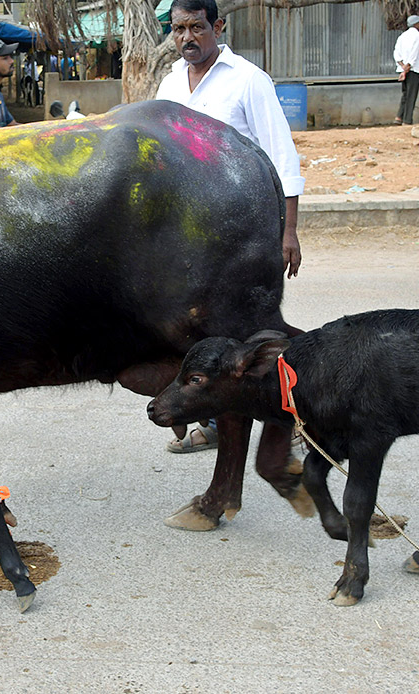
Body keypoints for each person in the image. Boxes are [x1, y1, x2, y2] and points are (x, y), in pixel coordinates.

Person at [155, 0, 305, 452]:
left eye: (196, 27)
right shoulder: (169, 83)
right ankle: (218, 421)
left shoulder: (247, 80)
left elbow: (281, 156)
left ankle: (303, 412)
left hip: (242, 231)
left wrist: (289, 231)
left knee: (256, 330)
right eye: (179, 29)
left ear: (217, 26)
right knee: (203, 330)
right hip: (187, 235)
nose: (187, 38)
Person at [394, 15, 419, 125]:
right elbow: (414, 53)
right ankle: (407, 120)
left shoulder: (402, 36)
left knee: (405, 93)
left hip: (403, 68)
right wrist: (407, 67)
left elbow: (396, 53)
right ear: (416, 24)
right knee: (411, 95)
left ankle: (399, 116)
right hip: (413, 69)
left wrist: (402, 66)